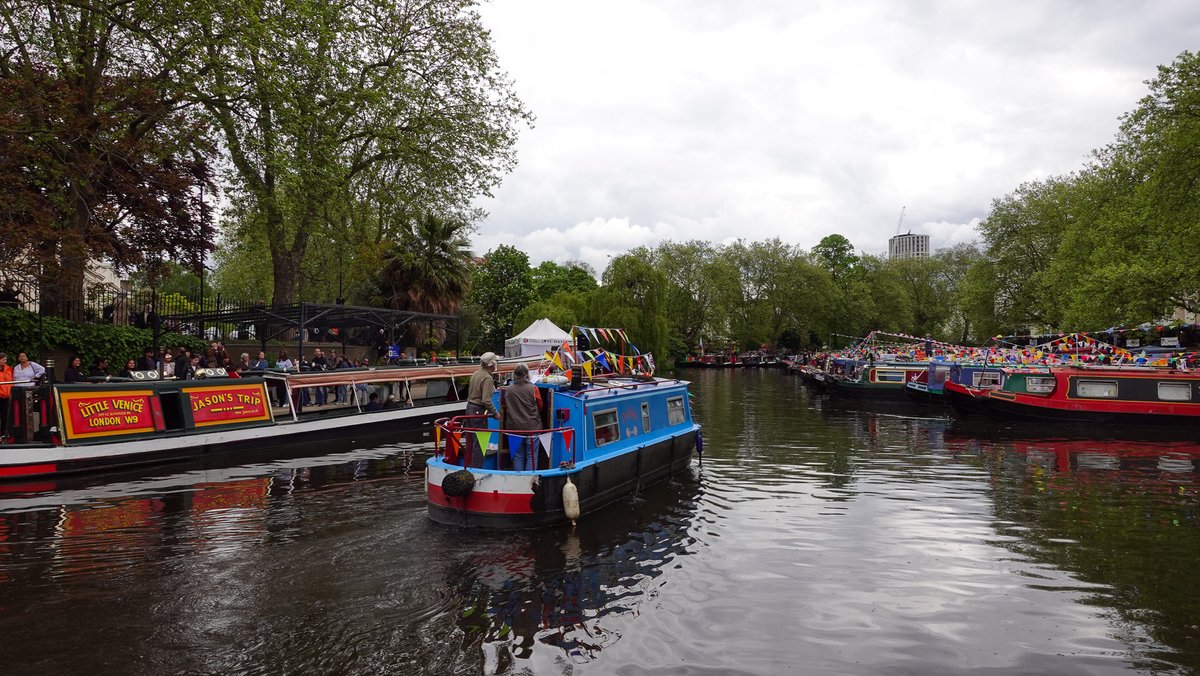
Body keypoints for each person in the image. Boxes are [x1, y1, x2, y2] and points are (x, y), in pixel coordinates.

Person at [503, 363, 544, 472]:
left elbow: (505, 406)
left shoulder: (508, 390)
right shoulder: (533, 388)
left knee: (517, 456)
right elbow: (540, 406)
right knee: (531, 456)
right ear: (527, 374)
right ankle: (529, 480)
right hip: (532, 427)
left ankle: (519, 480)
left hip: (514, 427)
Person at [464, 352, 501, 467]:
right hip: (478, 411)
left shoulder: (475, 374)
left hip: (469, 408)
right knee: (480, 443)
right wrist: (495, 413)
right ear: (491, 364)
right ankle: (476, 470)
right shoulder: (487, 378)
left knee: (470, 441)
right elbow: (486, 399)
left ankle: (468, 466)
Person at [0, 353, 13, 438]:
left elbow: (12, 380)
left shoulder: (9, 369)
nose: (5, 361)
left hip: (7, 396)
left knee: (5, 415)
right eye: (3, 360)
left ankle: (3, 433)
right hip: (0, 395)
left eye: (5, 360)